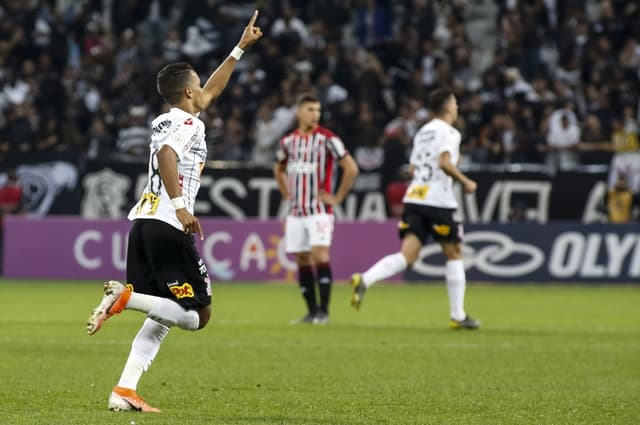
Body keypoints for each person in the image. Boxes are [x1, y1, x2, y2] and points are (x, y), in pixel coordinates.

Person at [85, 11, 263, 412]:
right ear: (187, 94)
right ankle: (124, 299)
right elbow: (168, 156)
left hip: (144, 223)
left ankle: (124, 390)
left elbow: (212, 94)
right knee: (199, 314)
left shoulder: (171, 118)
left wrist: (239, 48)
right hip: (168, 222)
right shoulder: (189, 126)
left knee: (163, 315)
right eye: (197, 86)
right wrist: (183, 208)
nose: (204, 92)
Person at [350, 86, 480, 330]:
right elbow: (444, 163)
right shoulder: (450, 133)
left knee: (407, 256)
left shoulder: (422, 132)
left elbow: (411, 170)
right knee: (454, 254)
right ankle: (458, 316)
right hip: (438, 201)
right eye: (455, 103)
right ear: (448, 106)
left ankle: (365, 279)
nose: (457, 107)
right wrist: (465, 181)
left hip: (415, 198)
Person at [273, 92, 359, 324]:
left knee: (320, 254)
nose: (315, 114)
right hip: (296, 212)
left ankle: (324, 312)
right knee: (302, 259)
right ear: (299, 112)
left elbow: (351, 168)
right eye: (310, 109)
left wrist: (337, 197)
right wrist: (285, 192)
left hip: (319, 211)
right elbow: (278, 168)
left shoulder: (328, 139)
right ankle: (311, 313)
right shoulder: (288, 142)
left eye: (318, 110)